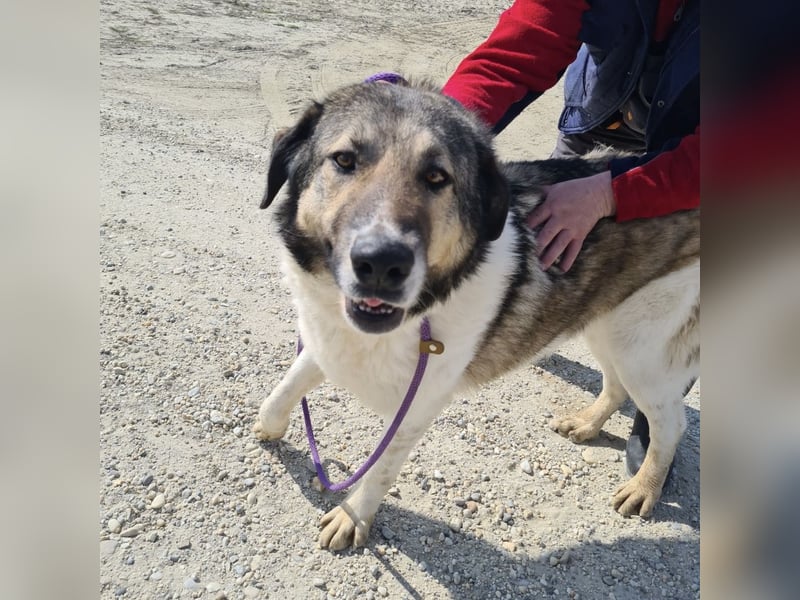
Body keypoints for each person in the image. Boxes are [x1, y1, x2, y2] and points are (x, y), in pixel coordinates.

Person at [441, 0, 699, 479]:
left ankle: (657, 418)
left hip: (696, 163)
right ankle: (611, 393)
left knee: (651, 338)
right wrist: (434, 134)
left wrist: (610, 193)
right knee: (581, 298)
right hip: (595, 130)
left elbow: (759, 139)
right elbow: (513, 53)